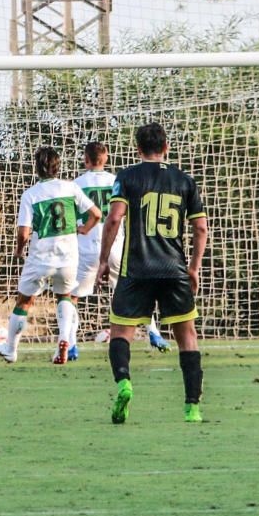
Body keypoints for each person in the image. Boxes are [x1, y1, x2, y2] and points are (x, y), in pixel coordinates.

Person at [98, 123, 208, 423]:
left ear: (137, 149)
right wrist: (194, 268)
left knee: (121, 333)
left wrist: (104, 260)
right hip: (174, 270)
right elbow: (201, 228)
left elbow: (114, 219)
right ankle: (192, 408)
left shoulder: (128, 177)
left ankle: (124, 383)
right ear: (167, 147)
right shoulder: (185, 180)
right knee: (187, 337)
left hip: (136, 269)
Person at [0, 146, 101, 364]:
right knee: (65, 296)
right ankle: (64, 341)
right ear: (57, 167)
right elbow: (96, 214)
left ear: (37, 168)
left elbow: (24, 232)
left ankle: (11, 350)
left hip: (41, 256)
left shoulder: (30, 194)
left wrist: (19, 250)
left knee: (24, 301)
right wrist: (85, 229)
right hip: (68, 256)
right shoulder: (71, 188)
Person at [69, 142, 170, 361]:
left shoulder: (75, 185)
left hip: (85, 249)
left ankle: (71, 344)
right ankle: (154, 333)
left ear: (85, 159)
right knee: (134, 292)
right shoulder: (117, 180)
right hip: (116, 246)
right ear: (105, 158)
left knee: (71, 297)